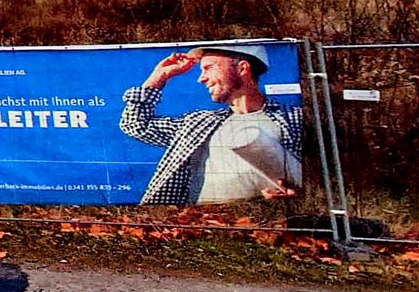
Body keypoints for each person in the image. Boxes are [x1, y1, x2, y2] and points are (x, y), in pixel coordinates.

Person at [120, 44, 302, 206]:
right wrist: (159, 77)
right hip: (196, 226)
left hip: (258, 228)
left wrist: (295, 196)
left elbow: (315, 179)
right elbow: (135, 125)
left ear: (242, 68)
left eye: (209, 68)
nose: (201, 78)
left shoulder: (294, 119)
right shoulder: (198, 123)